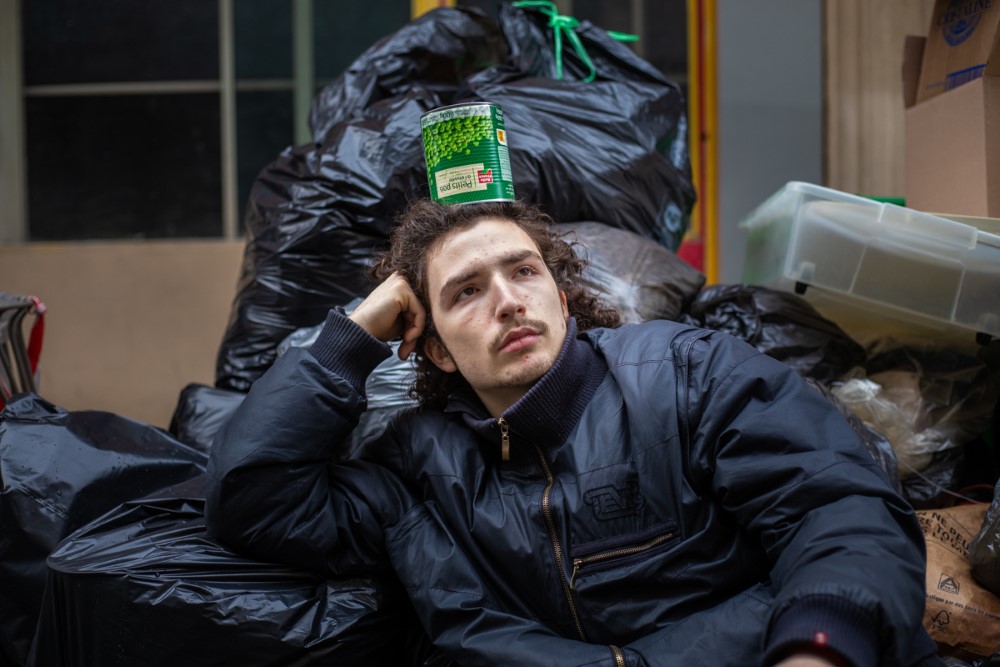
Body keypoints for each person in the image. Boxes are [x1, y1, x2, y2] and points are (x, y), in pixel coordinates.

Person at [206, 199, 940, 667]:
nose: (506, 302)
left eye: (522, 273)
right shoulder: (416, 472)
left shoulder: (686, 374)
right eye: (466, 291)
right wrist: (354, 337)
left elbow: (836, 508)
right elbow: (254, 496)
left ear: (560, 298)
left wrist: (819, 645)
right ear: (430, 345)